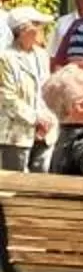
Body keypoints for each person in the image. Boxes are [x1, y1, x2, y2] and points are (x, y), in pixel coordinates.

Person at [3, 9, 52, 170]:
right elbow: (7, 97)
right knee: (14, 185)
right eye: (37, 25)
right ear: (23, 30)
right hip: (17, 135)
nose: (41, 30)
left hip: (46, 134)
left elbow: (47, 89)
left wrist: (47, 119)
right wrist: (35, 119)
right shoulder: (5, 58)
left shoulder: (42, 55)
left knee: (42, 185)